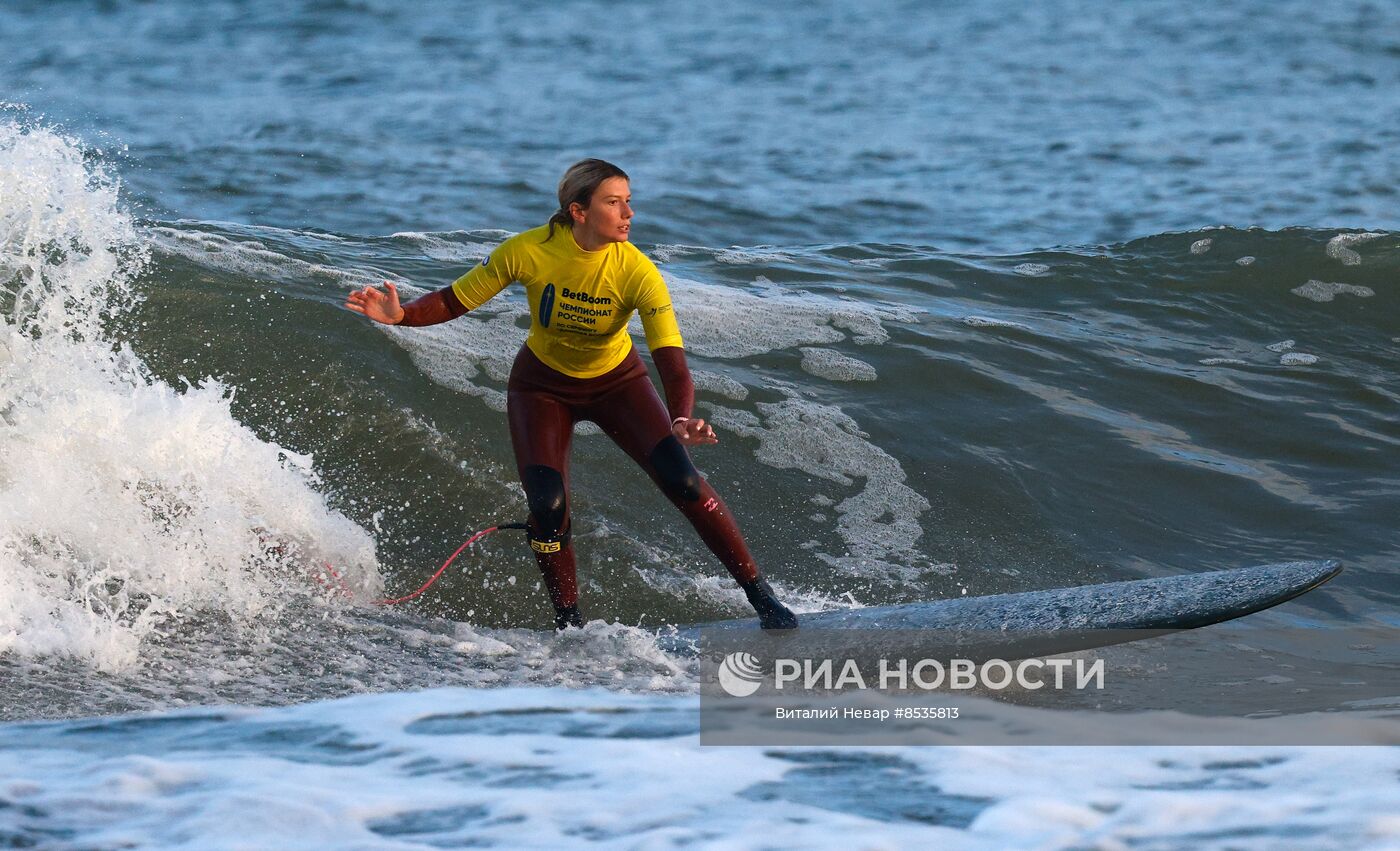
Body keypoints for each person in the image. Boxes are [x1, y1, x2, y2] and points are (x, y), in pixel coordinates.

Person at [345, 159, 797, 631]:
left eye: (628, 201)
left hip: (618, 384)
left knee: (683, 481)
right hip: (541, 388)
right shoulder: (529, 250)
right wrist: (402, 316)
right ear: (578, 211)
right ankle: (569, 623)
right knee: (547, 505)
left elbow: (672, 363)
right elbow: (454, 299)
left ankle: (762, 597)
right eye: (614, 202)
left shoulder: (637, 271)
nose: (629, 213)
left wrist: (681, 419)